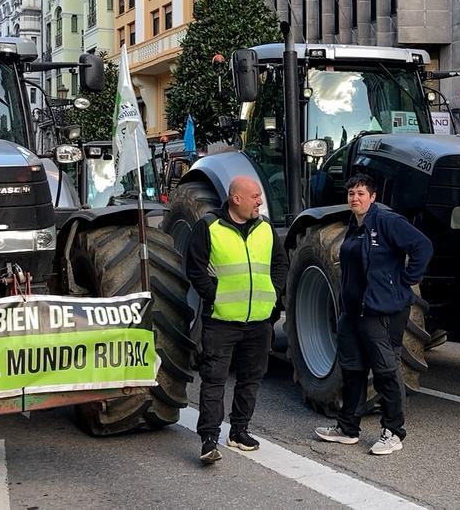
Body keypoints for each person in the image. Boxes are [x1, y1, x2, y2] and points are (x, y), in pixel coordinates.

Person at [314, 173, 433, 456]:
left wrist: (405, 280)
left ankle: (393, 431)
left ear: (373, 197)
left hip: (380, 311)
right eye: (351, 193)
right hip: (354, 312)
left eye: (361, 194)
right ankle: (348, 428)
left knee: (385, 371)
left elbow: (422, 247)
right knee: (353, 369)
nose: (355, 198)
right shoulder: (354, 227)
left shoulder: (387, 222)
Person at [184, 175, 287, 464]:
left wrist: (273, 293)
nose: (260, 201)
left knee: (250, 379)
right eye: (254, 196)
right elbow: (195, 268)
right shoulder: (208, 227)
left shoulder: (265, 228)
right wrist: (214, 294)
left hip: (258, 321)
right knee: (214, 381)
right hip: (221, 321)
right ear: (236, 198)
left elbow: (280, 264)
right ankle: (208, 439)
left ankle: (239, 431)